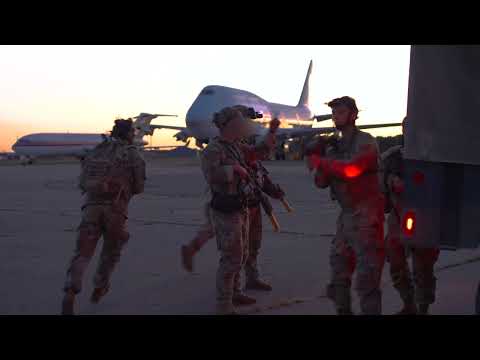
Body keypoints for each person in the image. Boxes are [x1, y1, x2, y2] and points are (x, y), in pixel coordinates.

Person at [307, 96, 385, 315]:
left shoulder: (366, 141)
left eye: (340, 112)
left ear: (353, 115)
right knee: (338, 275)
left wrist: (322, 162)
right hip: (347, 216)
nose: (335, 117)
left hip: (367, 215)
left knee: (367, 280)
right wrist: (317, 156)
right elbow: (320, 183)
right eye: (333, 113)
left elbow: (352, 170)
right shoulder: (334, 146)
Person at [61, 119, 146, 315]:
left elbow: (83, 182)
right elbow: (139, 186)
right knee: (110, 252)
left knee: (82, 253)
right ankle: (101, 285)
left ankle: (70, 289)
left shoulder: (96, 151)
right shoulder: (132, 154)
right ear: (129, 134)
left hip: (91, 208)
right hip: (115, 210)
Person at [200, 106, 278, 314]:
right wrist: (233, 169)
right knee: (231, 257)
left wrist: (271, 133)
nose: (242, 127)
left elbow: (258, 154)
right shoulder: (214, 149)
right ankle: (223, 303)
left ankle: (235, 293)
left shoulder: (237, 147)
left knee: (242, 254)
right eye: (237, 124)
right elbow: (211, 175)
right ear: (226, 125)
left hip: (240, 206)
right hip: (225, 209)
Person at [382, 118, 439, 315]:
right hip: (398, 217)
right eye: (408, 129)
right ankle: (408, 304)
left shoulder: (433, 157)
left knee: (424, 267)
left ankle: (423, 307)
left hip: (425, 217)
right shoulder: (392, 157)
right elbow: (381, 189)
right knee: (396, 263)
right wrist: (391, 181)